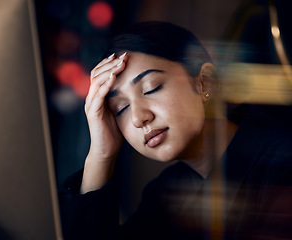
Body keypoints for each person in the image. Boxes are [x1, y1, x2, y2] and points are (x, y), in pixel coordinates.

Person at [59, 21, 292, 240]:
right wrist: (101, 155)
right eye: (121, 108)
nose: (139, 118)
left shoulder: (282, 168)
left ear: (204, 83)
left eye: (152, 88)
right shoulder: (165, 195)